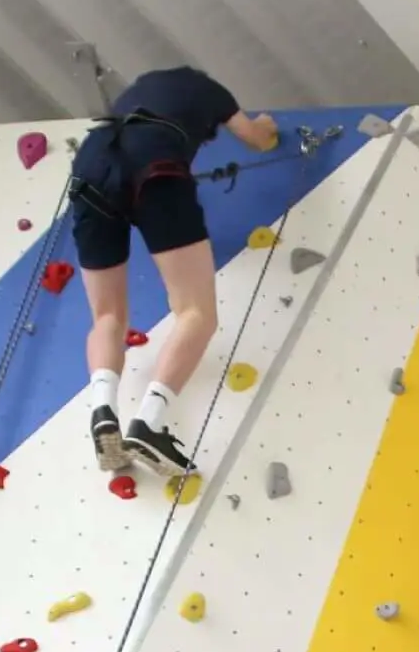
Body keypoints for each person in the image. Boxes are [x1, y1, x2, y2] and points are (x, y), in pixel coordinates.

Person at [71, 67, 280, 476]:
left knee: (108, 315)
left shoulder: (132, 96)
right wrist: (268, 128)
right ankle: (148, 423)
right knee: (196, 312)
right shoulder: (213, 89)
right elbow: (256, 139)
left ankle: (102, 411)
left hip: (93, 161)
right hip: (155, 164)